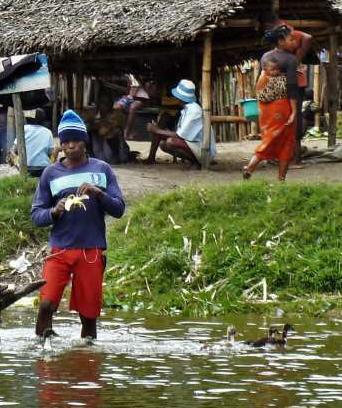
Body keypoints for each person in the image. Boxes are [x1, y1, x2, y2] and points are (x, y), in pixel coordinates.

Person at [30, 109, 127, 345]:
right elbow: (36, 214)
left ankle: (86, 357)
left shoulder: (102, 170)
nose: (70, 146)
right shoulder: (50, 173)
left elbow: (119, 208)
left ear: (84, 142)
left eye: (75, 141)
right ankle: (43, 350)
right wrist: (54, 212)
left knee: (89, 315)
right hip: (60, 250)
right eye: (65, 142)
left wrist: (98, 193)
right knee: (46, 303)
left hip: (91, 251)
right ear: (61, 145)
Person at [259, 12, 313, 157]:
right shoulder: (276, 49)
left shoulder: (284, 30)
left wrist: (297, 57)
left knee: (292, 119)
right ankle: (286, 155)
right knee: (287, 119)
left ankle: (294, 157)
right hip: (284, 87)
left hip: (292, 85)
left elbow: (307, 37)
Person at [243, 45, 297, 181]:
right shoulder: (278, 80)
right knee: (276, 143)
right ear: (265, 69)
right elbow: (285, 93)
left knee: (278, 143)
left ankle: (280, 178)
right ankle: (250, 168)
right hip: (277, 117)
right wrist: (293, 111)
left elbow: (261, 97)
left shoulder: (262, 81)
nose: (275, 72)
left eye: (277, 69)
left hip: (277, 117)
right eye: (272, 69)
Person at [147, 79, 204, 168]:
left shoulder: (193, 110)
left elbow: (179, 136)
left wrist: (156, 130)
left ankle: (199, 162)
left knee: (171, 142)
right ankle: (195, 161)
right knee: (164, 144)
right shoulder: (187, 109)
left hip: (203, 149)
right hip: (196, 145)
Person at [13, 111, 55, 176]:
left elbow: (15, 150)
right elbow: (50, 153)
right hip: (43, 169)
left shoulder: (23, 129)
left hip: (26, 168)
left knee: (11, 152)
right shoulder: (48, 132)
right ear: (43, 120)